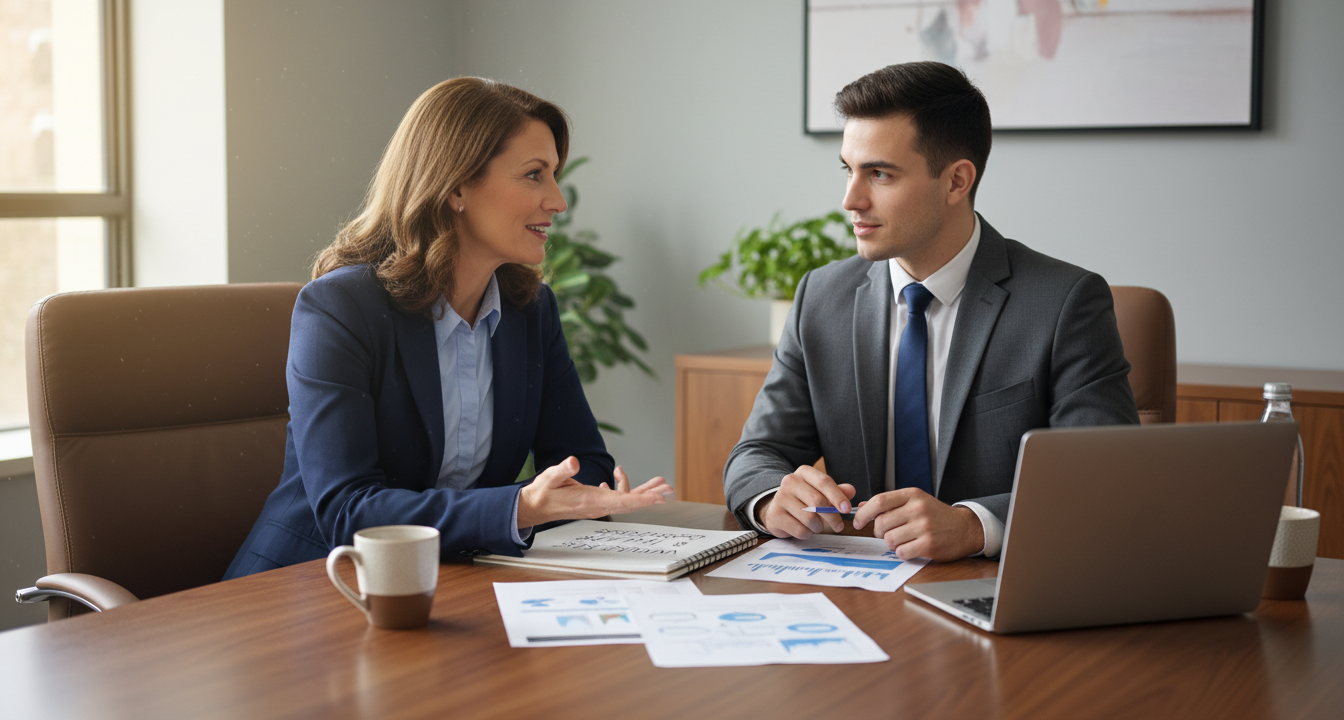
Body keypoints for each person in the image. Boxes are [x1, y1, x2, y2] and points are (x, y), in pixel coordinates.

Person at [225, 78, 671, 579]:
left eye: (554, 175)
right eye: (533, 175)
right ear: (456, 186)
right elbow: (348, 513)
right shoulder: (340, 308)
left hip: (449, 578)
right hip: (307, 586)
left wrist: (574, 495)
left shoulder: (530, 310)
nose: (557, 202)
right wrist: (520, 508)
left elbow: (583, 460)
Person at [722, 62, 1139, 562]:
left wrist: (972, 526)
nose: (850, 199)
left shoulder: (1064, 302)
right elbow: (755, 455)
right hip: (860, 593)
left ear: (957, 181)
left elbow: (1103, 481)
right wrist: (772, 498)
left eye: (879, 174)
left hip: (996, 591)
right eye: (848, 170)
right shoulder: (822, 296)